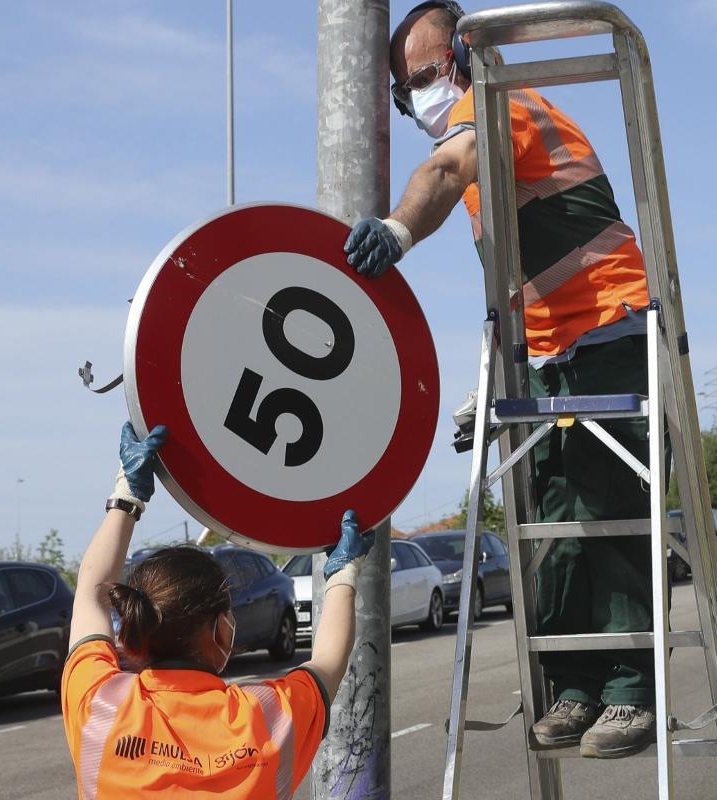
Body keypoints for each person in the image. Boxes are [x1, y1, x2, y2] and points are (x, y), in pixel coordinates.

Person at [344, 2, 663, 759]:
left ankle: (629, 691)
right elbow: (519, 288)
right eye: (404, 91)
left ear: (459, 58)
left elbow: (443, 170)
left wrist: (397, 228)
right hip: (552, 356)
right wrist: (483, 383)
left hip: (610, 330)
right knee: (555, 523)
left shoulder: (504, 111)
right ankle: (575, 685)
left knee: (606, 513)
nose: (418, 98)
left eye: (421, 77)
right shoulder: (484, 150)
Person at [61, 421, 373, 797]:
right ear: (221, 630)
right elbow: (328, 662)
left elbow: (91, 594)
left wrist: (128, 492)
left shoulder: (101, 703)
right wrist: (343, 571)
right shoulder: (267, 717)